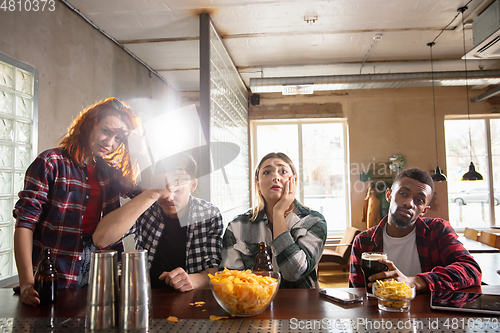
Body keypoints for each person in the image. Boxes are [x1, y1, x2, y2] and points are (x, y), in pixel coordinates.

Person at [14, 97, 140, 306]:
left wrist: (139, 146)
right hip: (57, 271)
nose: (110, 143)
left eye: (119, 138)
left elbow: (145, 193)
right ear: (89, 124)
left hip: (102, 273)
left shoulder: (110, 172)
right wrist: (27, 281)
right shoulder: (51, 162)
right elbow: (25, 223)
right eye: (106, 131)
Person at [93, 153, 223, 292]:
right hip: (146, 295)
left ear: (193, 186)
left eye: (178, 190)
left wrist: (191, 280)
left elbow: (213, 272)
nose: (169, 197)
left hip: (192, 299)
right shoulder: (147, 207)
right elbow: (101, 239)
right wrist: (152, 194)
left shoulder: (209, 215)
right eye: (164, 189)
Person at [349, 167, 482, 292]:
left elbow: (471, 270)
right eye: (403, 193)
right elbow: (357, 294)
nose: (409, 203)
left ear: (424, 210)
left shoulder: (438, 231)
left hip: (430, 315)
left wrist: (415, 281)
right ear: (388, 194)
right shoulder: (363, 241)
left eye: (419, 200)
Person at [221, 152, 327, 288]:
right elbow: (231, 281)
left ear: (293, 181)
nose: (275, 177)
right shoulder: (237, 226)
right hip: (252, 305)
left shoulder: (314, 221)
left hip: (302, 307)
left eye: (282, 171)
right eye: (267, 172)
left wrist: (278, 213)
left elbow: (293, 272)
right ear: (257, 183)